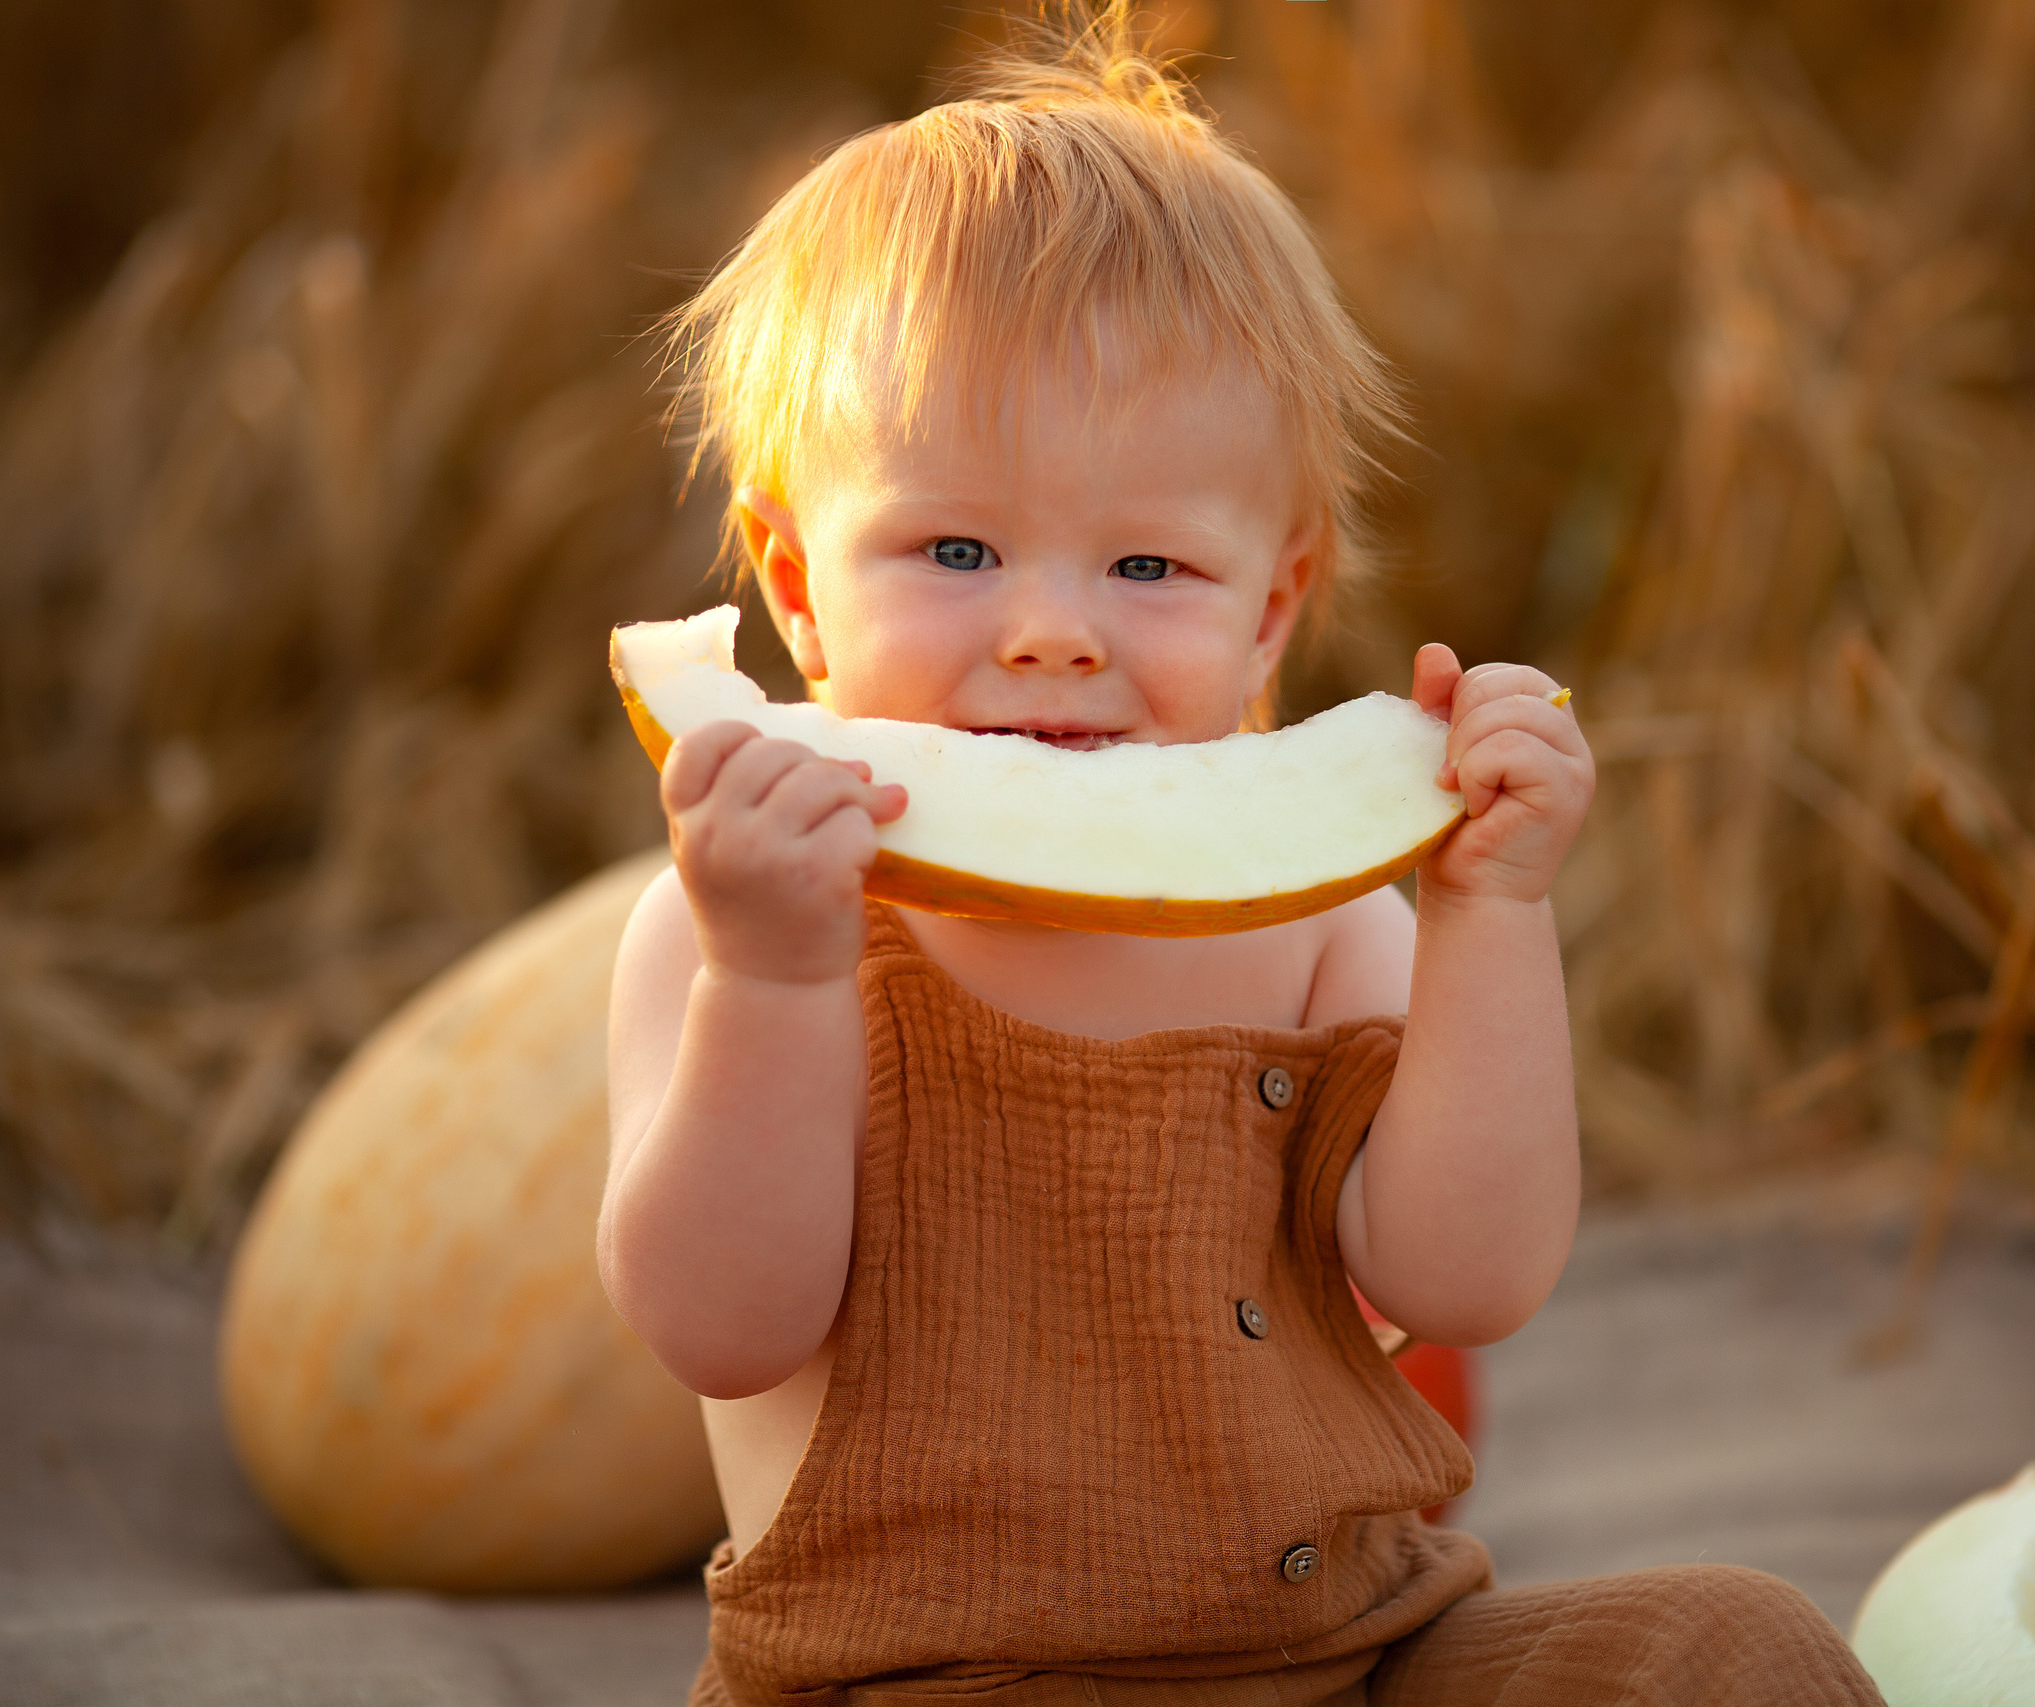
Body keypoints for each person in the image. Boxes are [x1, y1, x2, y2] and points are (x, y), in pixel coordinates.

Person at [600, 10, 1884, 1705]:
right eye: (959, 547)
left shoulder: (1315, 924)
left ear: (1273, 604)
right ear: (792, 581)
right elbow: (722, 1324)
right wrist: (773, 978)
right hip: (923, 1683)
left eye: (1149, 568)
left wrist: (1487, 914)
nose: (1053, 631)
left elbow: (1464, 1281)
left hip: (1353, 1657)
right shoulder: (731, 934)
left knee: (1734, 1648)